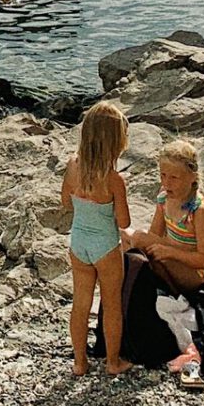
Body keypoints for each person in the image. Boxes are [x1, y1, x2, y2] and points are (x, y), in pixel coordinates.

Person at [60, 100, 133, 377]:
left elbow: (66, 203)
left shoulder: (72, 166)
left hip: (78, 244)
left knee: (80, 304)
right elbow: (124, 222)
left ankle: (80, 362)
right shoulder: (114, 179)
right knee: (112, 304)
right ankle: (112, 362)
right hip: (105, 247)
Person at [124, 140, 204, 297]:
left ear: (192, 177)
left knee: (146, 247)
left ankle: (146, 285)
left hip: (195, 274)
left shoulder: (199, 212)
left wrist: (170, 252)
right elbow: (154, 235)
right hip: (170, 255)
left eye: (174, 178)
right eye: (163, 175)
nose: (167, 183)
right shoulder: (164, 198)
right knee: (125, 235)